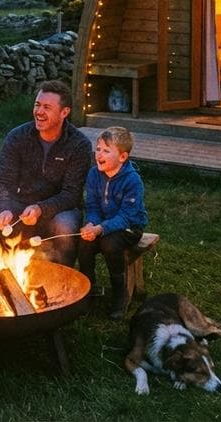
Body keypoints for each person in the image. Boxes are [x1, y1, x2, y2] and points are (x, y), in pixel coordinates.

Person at [0, 80, 91, 265]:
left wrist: (41, 209)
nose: (39, 112)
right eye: (37, 105)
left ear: (64, 112)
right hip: (20, 204)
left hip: (59, 209)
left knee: (65, 227)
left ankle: (62, 282)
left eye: (47, 107)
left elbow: (71, 194)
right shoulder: (17, 137)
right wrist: (4, 207)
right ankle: (1, 275)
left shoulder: (79, 144)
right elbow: (3, 181)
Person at [77, 126, 148, 320]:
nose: (99, 154)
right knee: (84, 243)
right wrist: (91, 224)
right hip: (103, 224)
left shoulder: (132, 181)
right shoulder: (94, 175)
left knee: (109, 244)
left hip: (130, 227)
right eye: (98, 149)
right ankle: (88, 290)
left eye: (106, 151)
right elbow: (92, 206)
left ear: (123, 157)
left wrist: (101, 229)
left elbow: (126, 216)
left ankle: (119, 293)